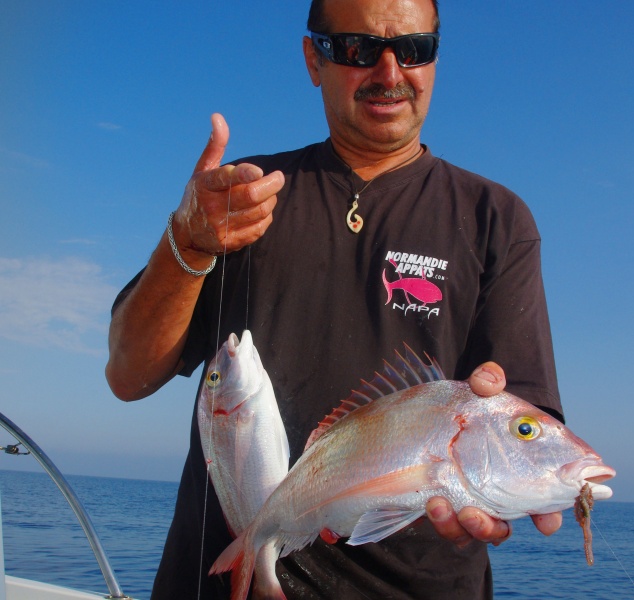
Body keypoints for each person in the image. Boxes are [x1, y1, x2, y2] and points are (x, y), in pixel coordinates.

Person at [106, 0, 565, 597]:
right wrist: (188, 241)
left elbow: (521, 416)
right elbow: (129, 374)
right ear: (312, 60)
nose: (390, 72)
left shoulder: (494, 219)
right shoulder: (241, 200)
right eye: (357, 48)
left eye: (416, 49)